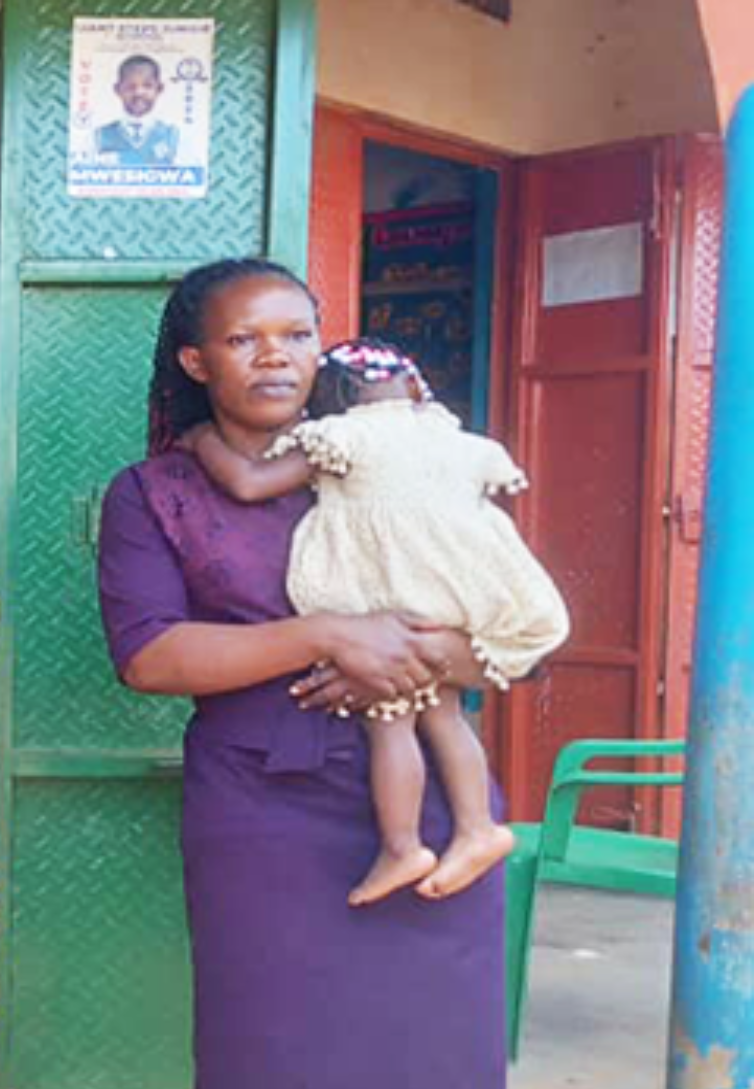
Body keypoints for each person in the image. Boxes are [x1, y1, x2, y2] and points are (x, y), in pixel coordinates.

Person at [99, 258, 508, 1089]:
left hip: (433, 807)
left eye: (296, 335)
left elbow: (509, 633)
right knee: (272, 1052)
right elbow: (148, 655)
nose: (274, 356)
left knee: (436, 1053)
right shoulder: (154, 492)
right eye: (242, 340)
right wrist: (328, 635)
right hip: (261, 807)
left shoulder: (394, 461)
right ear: (196, 361)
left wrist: (406, 658)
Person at [184, 336, 567, 905]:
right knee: (446, 715)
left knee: (390, 723)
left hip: (386, 601)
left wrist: (202, 441)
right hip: (452, 598)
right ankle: (478, 828)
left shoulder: (346, 434)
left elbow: (249, 483)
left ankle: (402, 847)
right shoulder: (449, 435)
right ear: (412, 385)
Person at [94, 54, 178, 167]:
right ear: (117, 89)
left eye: (147, 86)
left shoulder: (172, 136)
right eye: (130, 86)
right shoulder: (99, 136)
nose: (138, 92)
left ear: (159, 89)